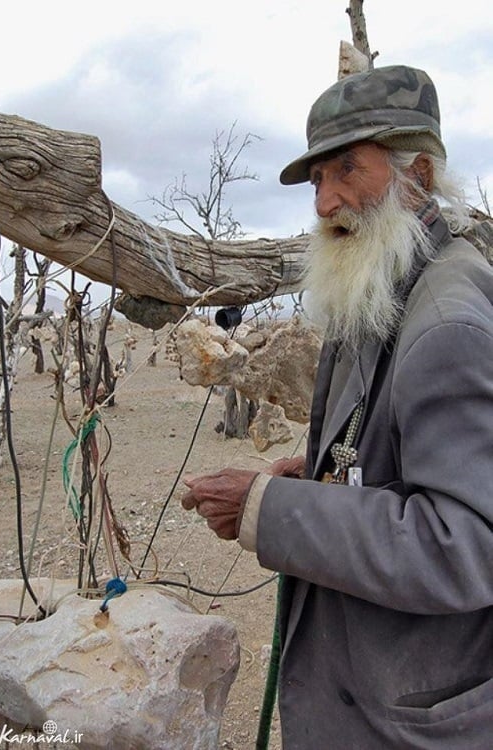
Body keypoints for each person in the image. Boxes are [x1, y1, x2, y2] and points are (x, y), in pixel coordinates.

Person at [181, 64, 493, 749]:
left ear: (416, 174)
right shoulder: (393, 279)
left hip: (410, 718)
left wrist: (270, 510)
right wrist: (322, 474)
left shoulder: (447, 323)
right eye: (319, 179)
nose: (325, 202)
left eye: (348, 170)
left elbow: (466, 545)